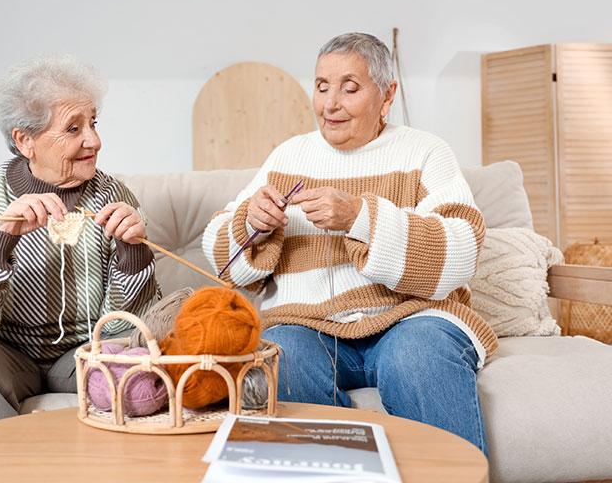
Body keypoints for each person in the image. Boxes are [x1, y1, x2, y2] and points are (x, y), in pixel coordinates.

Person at [202, 32, 496, 456]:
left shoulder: (425, 151)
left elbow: (462, 248)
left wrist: (361, 217)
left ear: (387, 95)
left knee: (416, 356)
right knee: (280, 359)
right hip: (308, 326)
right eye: (321, 86)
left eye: (350, 88)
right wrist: (253, 223)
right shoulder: (289, 157)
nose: (330, 104)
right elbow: (223, 259)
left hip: (410, 319)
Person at [0, 54, 159, 438]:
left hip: (80, 355)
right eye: (73, 129)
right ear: (25, 140)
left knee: (135, 368)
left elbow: (123, 333)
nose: (94, 141)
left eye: (93, 124)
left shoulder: (116, 196)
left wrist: (133, 253)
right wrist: (0, 240)